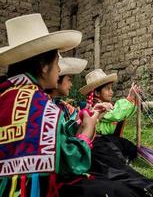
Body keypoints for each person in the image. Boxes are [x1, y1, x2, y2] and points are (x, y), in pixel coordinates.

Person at [0, 13, 118, 196]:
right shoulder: (36, 104)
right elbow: (69, 163)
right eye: (56, 62)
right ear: (43, 66)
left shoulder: (7, 94)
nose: (60, 68)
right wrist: (86, 132)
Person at [79, 69, 140, 137]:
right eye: (108, 89)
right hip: (99, 141)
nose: (112, 92)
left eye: (111, 88)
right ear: (97, 93)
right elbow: (117, 114)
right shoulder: (97, 107)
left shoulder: (106, 104)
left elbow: (125, 113)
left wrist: (132, 100)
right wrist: (129, 99)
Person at [46, 56, 88, 121]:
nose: (71, 85)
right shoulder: (44, 105)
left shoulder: (63, 106)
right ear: (58, 78)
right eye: (69, 80)